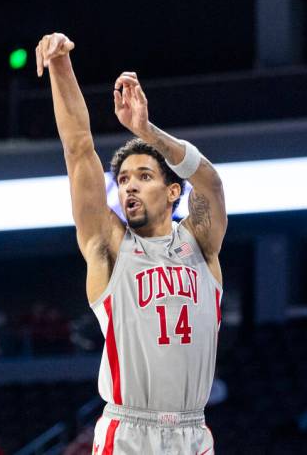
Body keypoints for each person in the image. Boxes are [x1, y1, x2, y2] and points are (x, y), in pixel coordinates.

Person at [36, 32, 226, 454]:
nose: (129, 188)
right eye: (122, 180)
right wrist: (61, 68)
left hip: (194, 434)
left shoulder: (201, 243)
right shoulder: (109, 246)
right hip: (129, 433)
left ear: (173, 191)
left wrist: (146, 131)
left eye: (144, 176)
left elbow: (210, 181)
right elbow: (78, 150)